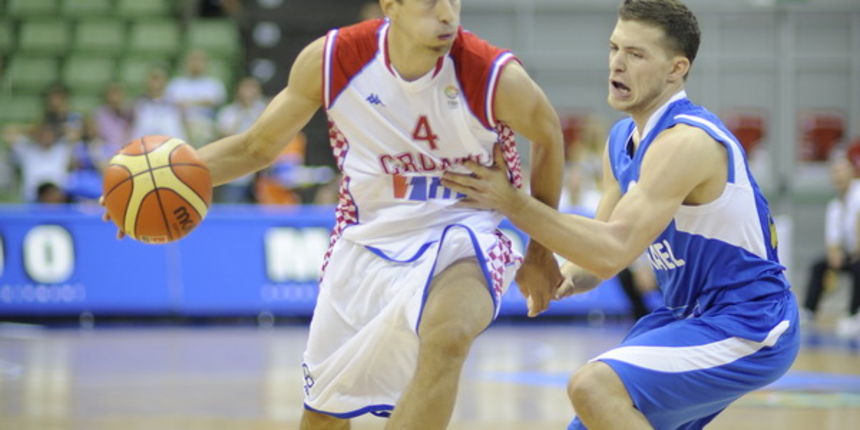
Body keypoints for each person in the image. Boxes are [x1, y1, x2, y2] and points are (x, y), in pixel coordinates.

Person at [103, 1, 564, 428]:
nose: (447, 14)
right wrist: (154, 185)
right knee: (324, 416)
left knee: (449, 336)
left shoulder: (491, 73)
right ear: (391, 5)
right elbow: (256, 147)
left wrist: (541, 251)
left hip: (464, 227)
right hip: (367, 239)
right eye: (429, 0)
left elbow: (548, 134)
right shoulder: (333, 59)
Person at [442, 1, 800, 428]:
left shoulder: (686, 143)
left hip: (749, 320)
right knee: (591, 416)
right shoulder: (621, 140)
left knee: (594, 386)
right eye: (614, 48)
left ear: (676, 69)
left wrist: (512, 201)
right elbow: (598, 248)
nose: (617, 64)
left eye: (636, 54)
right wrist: (563, 277)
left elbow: (613, 250)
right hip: (688, 316)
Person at [801, 154, 860, 339]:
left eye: (842, 171)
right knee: (819, 265)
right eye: (835, 172)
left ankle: (854, 315)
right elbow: (832, 241)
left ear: (851, 173)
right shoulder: (834, 206)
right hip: (850, 254)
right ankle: (809, 310)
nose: (838, 176)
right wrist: (834, 255)